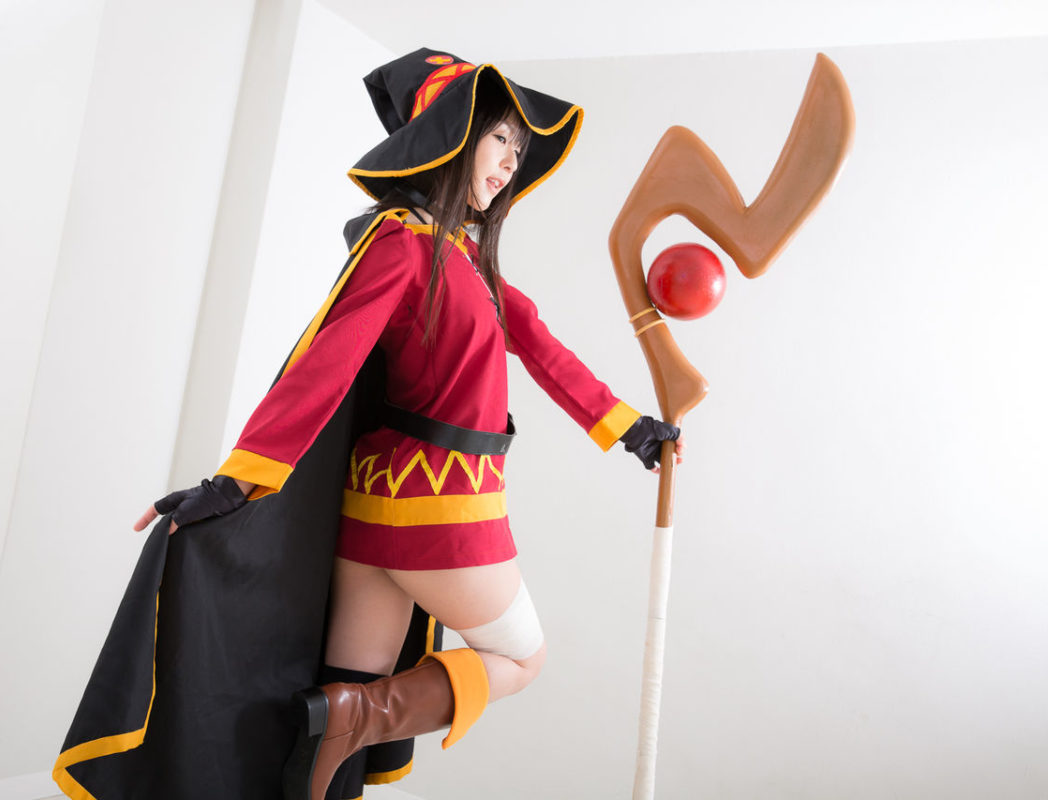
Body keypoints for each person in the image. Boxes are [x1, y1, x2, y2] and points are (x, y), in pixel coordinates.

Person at [55, 48, 682, 800]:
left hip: (374, 514)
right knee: (521, 659)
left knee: (344, 706)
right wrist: (236, 480)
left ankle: (349, 717)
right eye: (499, 138)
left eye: (519, 149)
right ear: (450, 136)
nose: (510, 162)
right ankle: (358, 717)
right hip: (441, 506)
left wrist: (630, 428)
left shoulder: (465, 257)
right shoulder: (401, 243)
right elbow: (325, 362)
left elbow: (545, 350)